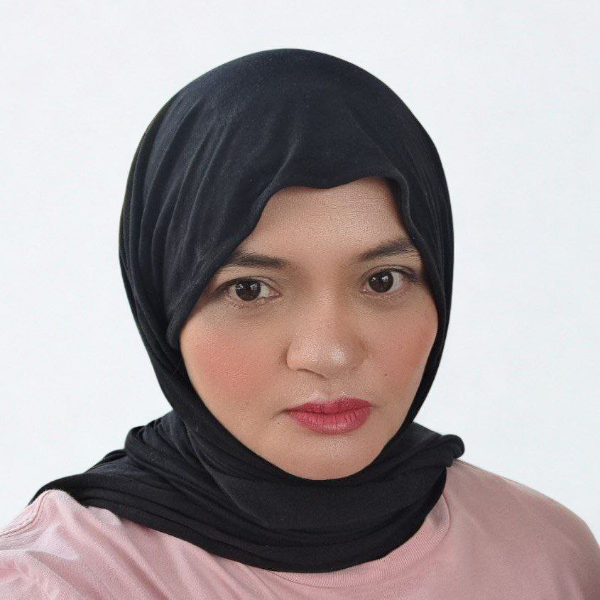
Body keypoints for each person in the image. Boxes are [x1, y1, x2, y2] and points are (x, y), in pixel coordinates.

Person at [1, 48, 598, 599]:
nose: (329, 352)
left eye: (382, 280)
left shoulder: (549, 560)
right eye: (250, 289)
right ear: (164, 304)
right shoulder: (53, 582)